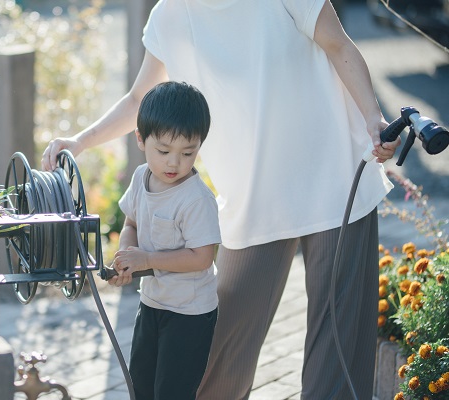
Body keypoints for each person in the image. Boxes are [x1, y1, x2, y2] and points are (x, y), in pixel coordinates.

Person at [42, 1, 401, 398]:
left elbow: (339, 46)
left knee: (337, 357)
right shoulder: (170, 16)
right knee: (218, 361)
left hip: (336, 177)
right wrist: (80, 142)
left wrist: (372, 116)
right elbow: (138, 100)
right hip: (252, 199)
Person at [108, 80, 221, 399]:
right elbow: (130, 222)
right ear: (141, 139)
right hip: (153, 302)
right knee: (141, 385)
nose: (174, 163)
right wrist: (126, 258)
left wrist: (146, 260)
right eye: (164, 151)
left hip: (189, 312)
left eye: (188, 152)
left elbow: (202, 257)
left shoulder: (196, 199)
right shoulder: (141, 177)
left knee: (172, 391)